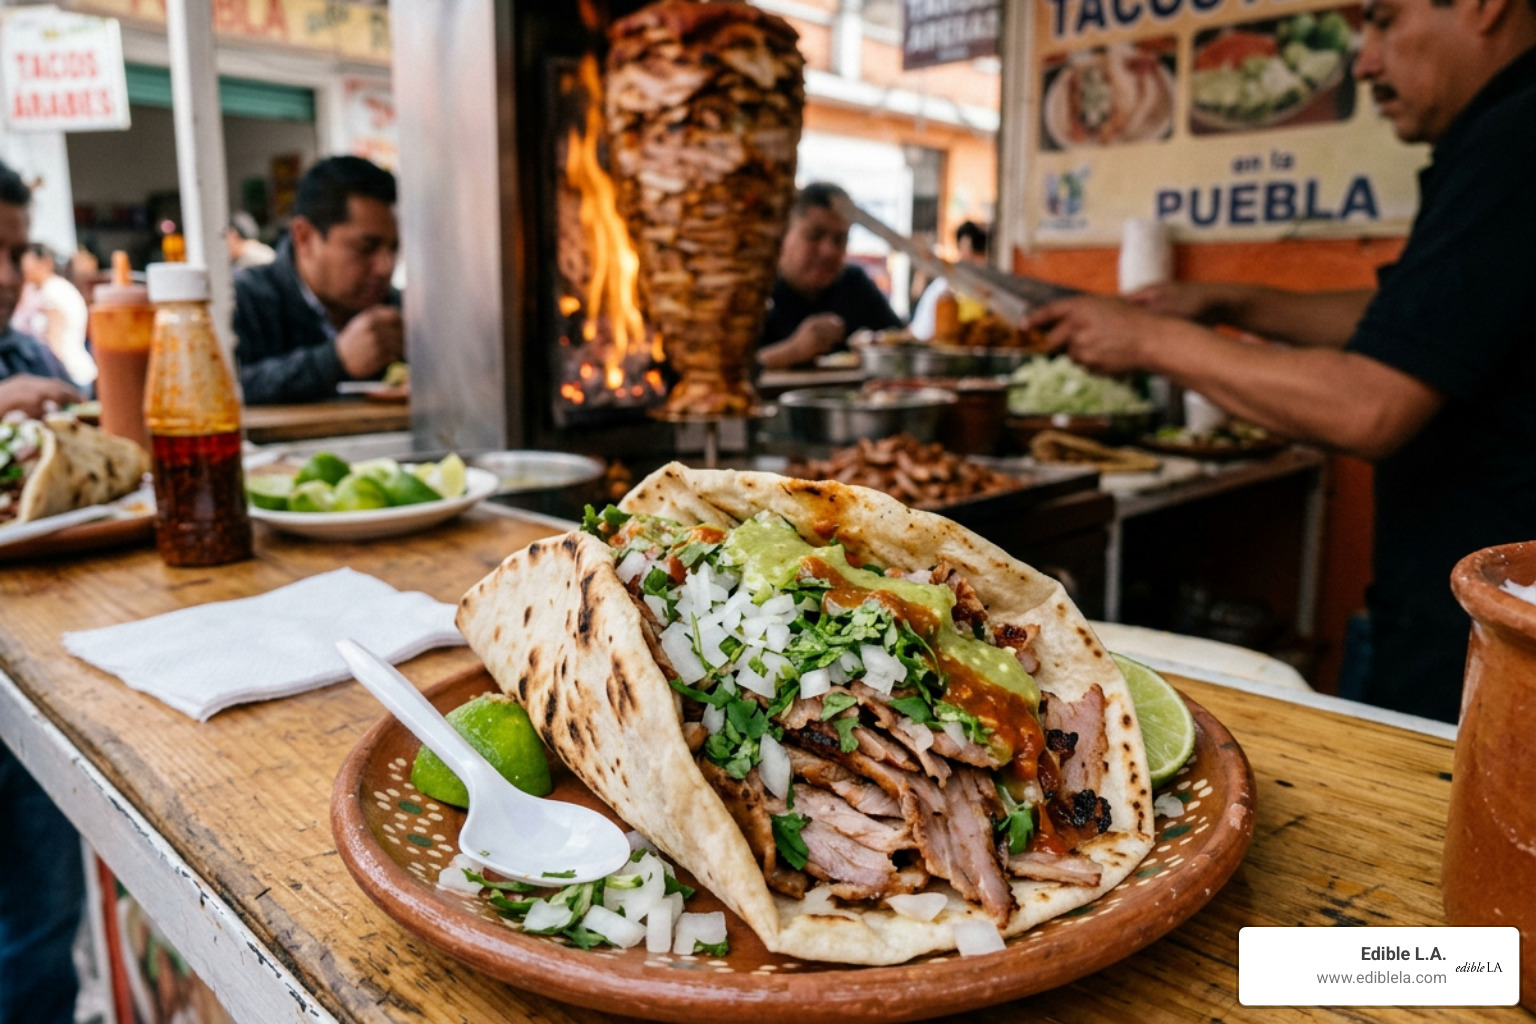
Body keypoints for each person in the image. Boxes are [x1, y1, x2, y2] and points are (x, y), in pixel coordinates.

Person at [1026, 0, 1536, 724]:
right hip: (1453, 603)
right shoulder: (1495, 136)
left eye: (1384, 21)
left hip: (1495, 628)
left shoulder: (1517, 138)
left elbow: (1370, 405)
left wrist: (1146, 340)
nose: (1362, 60)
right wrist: (1230, 300)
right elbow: (1415, 326)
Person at [0, 159, 86, 1024]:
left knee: (38, 921)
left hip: (32, 670)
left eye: (13, 251)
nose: (3, 275)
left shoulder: (27, 348)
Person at [232, 155, 403, 404]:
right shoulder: (244, 301)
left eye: (393, 248)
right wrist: (334, 361)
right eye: (366, 248)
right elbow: (225, 389)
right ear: (304, 237)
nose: (385, 267)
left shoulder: (396, 308)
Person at [757, 182, 901, 370]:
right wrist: (792, 351)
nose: (829, 251)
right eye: (815, 235)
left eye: (839, 240)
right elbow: (727, 370)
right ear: (783, 234)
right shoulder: (754, 289)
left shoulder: (854, 285)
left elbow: (899, 342)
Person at [10, 242, 93, 388]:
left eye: (28, 263)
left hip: (69, 375)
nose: (23, 269)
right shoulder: (45, 289)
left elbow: (54, 342)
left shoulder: (53, 292)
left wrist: (55, 379)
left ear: (45, 263)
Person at [908, 220, 990, 341]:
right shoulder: (945, 288)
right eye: (975, 252)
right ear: (964, 250)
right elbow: (921, 332)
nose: (981, 261)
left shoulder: (987, 287)